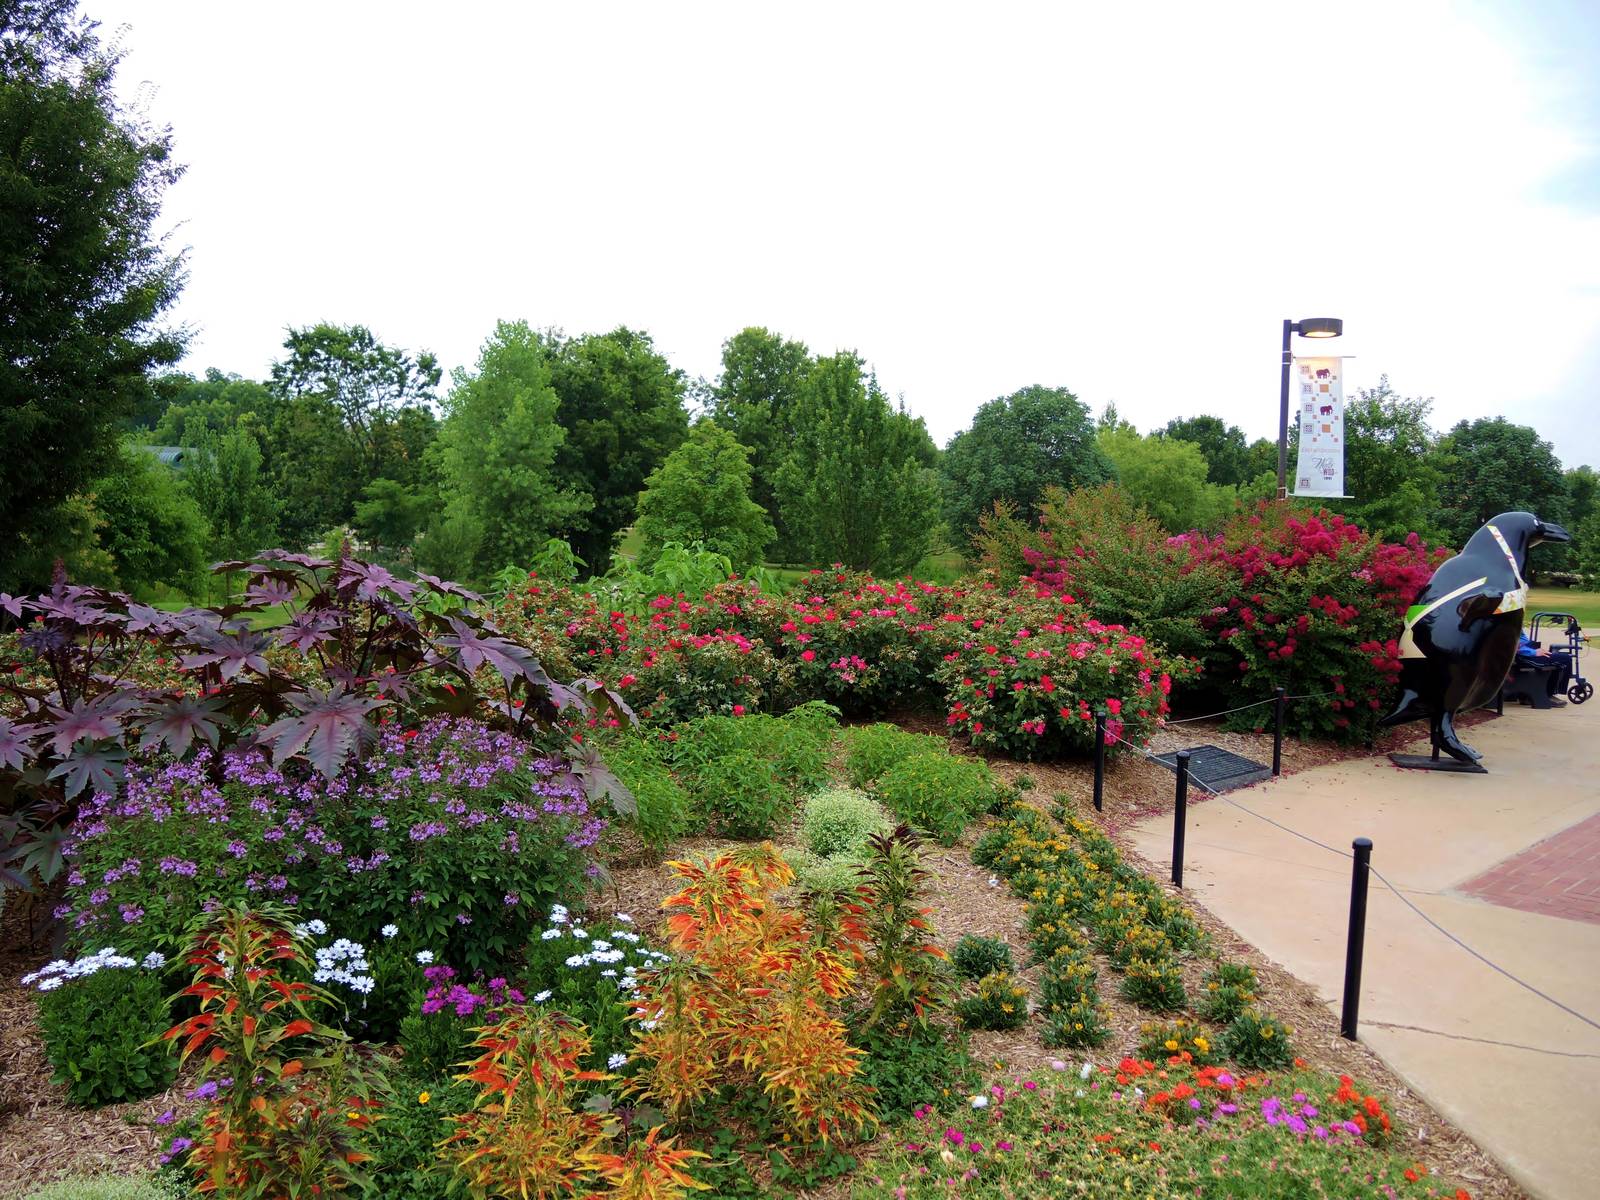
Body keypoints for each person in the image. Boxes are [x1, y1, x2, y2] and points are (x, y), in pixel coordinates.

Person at [1515, 632, 1567, 707]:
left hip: (1526, 651)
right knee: (1565, 660)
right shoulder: (1508, 624)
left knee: (1560, 659)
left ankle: (1529, 696)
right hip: (1524, 656)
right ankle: (1547, 695)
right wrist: (1534, 652)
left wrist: (1533, 648)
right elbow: (1512, 645)